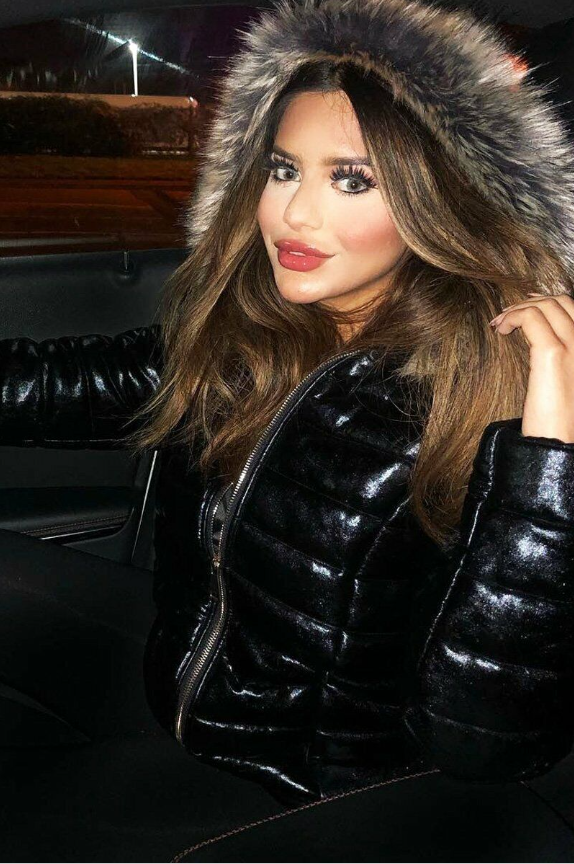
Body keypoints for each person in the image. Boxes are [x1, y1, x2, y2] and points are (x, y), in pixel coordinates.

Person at [1, 0, 574, 853]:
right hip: (184, 688)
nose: (293, 216)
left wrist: (551, 457)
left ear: (443, 198)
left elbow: (482, 738)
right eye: (282, 169)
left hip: (314, 790)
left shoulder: (485, 393)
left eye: (352, 180)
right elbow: (52, 385)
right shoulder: (258, 337)